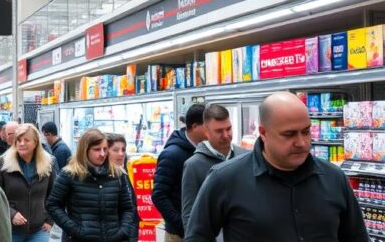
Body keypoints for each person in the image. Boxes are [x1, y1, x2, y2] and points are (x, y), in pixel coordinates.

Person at [184, 92, 368, 242]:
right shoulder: (224, 179)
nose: (301, 142)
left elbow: (356, 237)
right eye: (289, 134)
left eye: (305, 132)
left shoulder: (334, 178)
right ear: (264, 133)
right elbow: (197, 236)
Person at [45, 128, 136, 242]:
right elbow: (53, 205)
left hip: (113, 237)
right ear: (85, 150)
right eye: (97, 149)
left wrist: (122, 231)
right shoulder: (69, 174)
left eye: (105, 149)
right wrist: (75, 230)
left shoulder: (117, 174)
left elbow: (127, 208)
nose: (102, 154)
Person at [180, 104, 248, 235]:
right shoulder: (194, 165)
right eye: (219, 131)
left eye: (228, 129)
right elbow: (189, 215)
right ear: (206, 131)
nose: (226, 135)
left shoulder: (245, 156)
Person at [0, 124, 56, 242]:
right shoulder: (2, 163)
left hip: (39, 229)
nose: (21, 143)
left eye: (26, 140)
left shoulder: (48, 163)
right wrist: (11, 214)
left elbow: (54, 194)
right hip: (10, 229)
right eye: (19, 140)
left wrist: (49, 220)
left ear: (36, 142)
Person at [153, 104, 206, 242]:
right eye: (207, 125)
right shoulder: (172, 154)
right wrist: (181, 226)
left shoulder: (205, 150)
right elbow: (159, 195)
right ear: (194, 126)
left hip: (203, 230)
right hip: (179, 235)